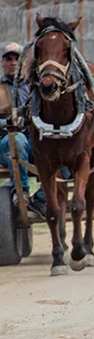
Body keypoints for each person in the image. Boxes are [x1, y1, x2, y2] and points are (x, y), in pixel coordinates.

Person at [0, 42, 47, 215]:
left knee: (62, 152)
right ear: (3, 63)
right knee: (17, 140)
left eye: (17, 59)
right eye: (9, 59)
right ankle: (21, 194)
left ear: (25, 63)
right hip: (6, 144)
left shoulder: (37, 87)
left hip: (37, 142)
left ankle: (40, 198)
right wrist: (7, 124)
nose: (13, 63)